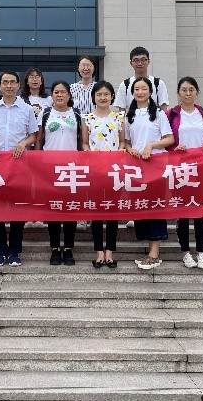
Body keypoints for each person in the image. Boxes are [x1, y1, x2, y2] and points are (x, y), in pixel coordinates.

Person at [0, 71, 39, 267]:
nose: (9, 86)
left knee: (17, 209)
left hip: (19, 165)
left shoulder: (26, 109)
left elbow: (33, 135)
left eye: (12, 82)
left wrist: (23, 143)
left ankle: (14, 252)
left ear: (18, 85)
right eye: (5, 82)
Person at [124, 77, 174, 269]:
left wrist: (151, 146)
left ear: (151, 92)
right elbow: (127, 141)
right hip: (137, 166)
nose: (140, 92)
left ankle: (154, 253)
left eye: (144, 88)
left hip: (156, 165)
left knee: (155, 205)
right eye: (136, 89)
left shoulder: (159, 114)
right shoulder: (130, 115)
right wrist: (131, 150)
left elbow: (169, 138)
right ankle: (148, 249)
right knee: (141, 206)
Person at [166, 77, 203, 270]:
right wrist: (174, 148)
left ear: (196, 92)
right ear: (178, 93)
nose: (188, 93)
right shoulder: (171, 114)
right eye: (184, 90)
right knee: (183, 212)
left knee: (201, 213)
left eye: (191, 90)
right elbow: (167, 141)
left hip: (201, 168)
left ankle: (201, 252)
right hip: (180, 169)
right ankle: (186, 252)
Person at [36, 80, 85, 266]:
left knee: (70, 208)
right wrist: (38, 161)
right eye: (56, 92)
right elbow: (39, 139)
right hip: (50, 167)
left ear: (69, 95)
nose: (59, 95)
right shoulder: (45, 113)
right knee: (54, 208)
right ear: (52, 95)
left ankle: (69, 248)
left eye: (63, 92)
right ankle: (55, 248)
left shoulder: (77, 114)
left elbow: (82, 140)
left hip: (72, 168)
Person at [83, 81, 125, 269]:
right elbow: (85, 143)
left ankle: (110, 251)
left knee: (113, 211)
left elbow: (122, 142)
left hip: (114, 170)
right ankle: (99, 251)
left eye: (106, 94)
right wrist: (88, 153)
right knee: (97, 211)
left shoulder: (119, 117)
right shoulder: (87, 118)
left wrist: (120, 152)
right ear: (94, 97)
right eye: (99, 94)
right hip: (95, 171)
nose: (102, 97)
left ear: (112, 97)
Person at [113, 46, 170, 112]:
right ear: (131, 63)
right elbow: (122, 110)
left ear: (148, 61)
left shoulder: (158, 83)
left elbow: (163, 109)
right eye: (136, 60)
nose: (140, 63)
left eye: (143, 60)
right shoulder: (125, 85)